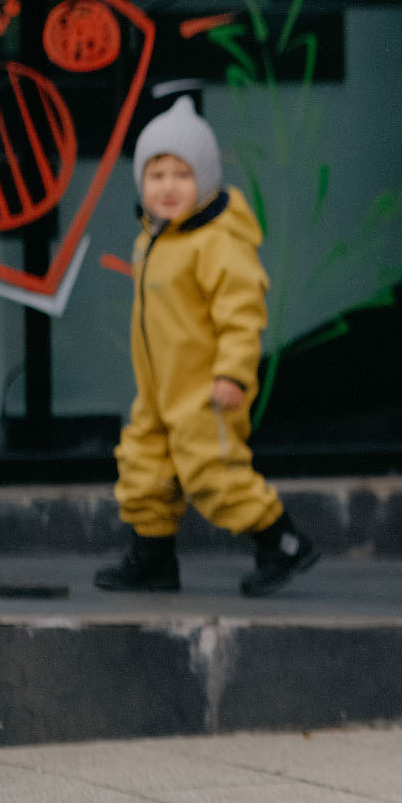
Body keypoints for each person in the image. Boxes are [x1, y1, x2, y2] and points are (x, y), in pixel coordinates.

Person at [93, 96, 320, 599]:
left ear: (207, 179)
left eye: (181, 174)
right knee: (143, 465)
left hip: (206, 389)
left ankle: (279, 540)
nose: (168, 187)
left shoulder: (217, 242)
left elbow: (241, 313)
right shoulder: (154, 238)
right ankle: (153, 558)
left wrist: (233, 374)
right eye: (156, 175)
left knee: (211, 469)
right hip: (159, 390)